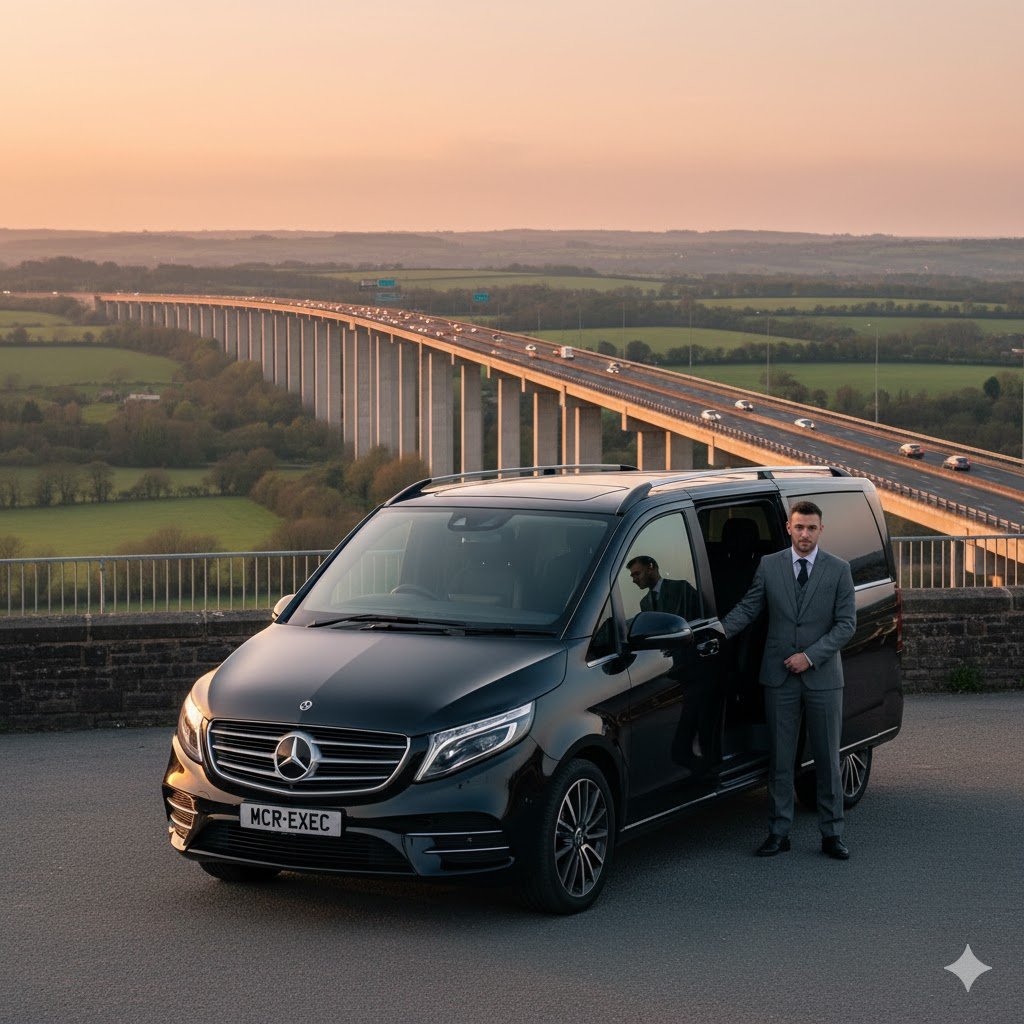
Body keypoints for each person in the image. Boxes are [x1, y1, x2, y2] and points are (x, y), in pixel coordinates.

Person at [720, 500, 856, 860]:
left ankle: (832, 834)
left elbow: (846, 625)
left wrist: (809, 657)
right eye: (799, 527)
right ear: (788, 528)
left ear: (821, 530)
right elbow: (750, 608)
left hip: (823, 678)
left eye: (811, 528)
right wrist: (719, 631)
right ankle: (779, 832)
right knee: (780, 760)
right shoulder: (769, 565)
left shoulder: (839, 569)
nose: (805, 534)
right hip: (778, 677)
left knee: (827, 759)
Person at [627, 555, 697, 619]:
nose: (634, 580)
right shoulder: (644, 603)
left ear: (650, 568)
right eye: (633, 576)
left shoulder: (681, 588)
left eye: (637, 574)